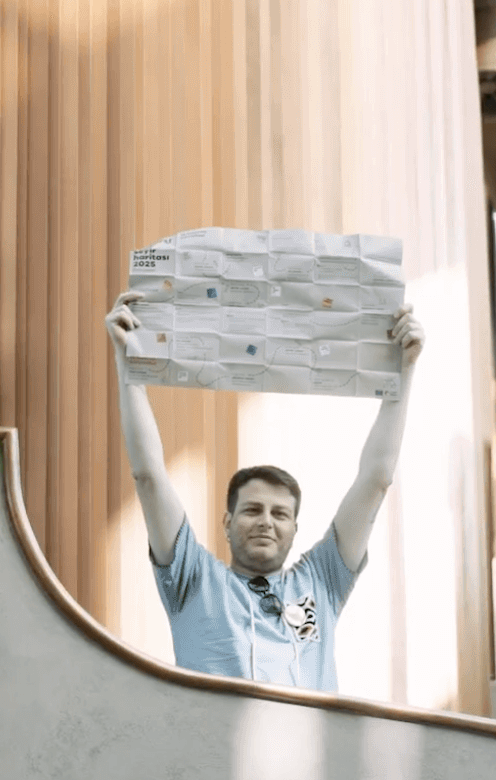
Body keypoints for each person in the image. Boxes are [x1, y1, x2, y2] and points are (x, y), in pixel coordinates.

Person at [104, 289, 424, 690]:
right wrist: (127, 363)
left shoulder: (321, 582)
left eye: (280, 513)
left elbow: (376, 479)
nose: (266, 522)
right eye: (253, 510)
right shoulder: (194, 579)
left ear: (295, 529)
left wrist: (405, 370)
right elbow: (149, 476)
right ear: (227, 522)